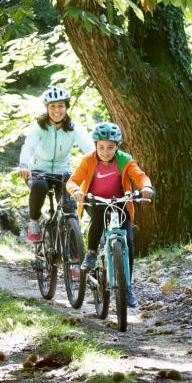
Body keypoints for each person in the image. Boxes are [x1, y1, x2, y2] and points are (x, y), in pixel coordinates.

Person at [66, 121, 154, 307]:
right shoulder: (89, 160)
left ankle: (127, 287)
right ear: (96, 145)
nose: (105, 151)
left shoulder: (125, 160)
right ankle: (91, 254)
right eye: (101, 147)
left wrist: (146, 186)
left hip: (120, 203)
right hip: (96, 201)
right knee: (98, 215)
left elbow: (140, 176)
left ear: (117, 147)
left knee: (128, 241)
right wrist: (76, 191)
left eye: (110, 147)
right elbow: (73, 181)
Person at [17, 85, 93, 279]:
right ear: (46, 108)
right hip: (38, 171)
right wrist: (24, 164)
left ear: (66, 107)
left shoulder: (73, 127)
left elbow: (89, 148)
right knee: (40, 186)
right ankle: (34, 221)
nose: (57, 110)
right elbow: (28, 146)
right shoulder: (39, 127)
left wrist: (99, 164)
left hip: (63, 173)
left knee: (69, 211)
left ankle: (75, 259)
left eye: (60, 106)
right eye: (52, 107)